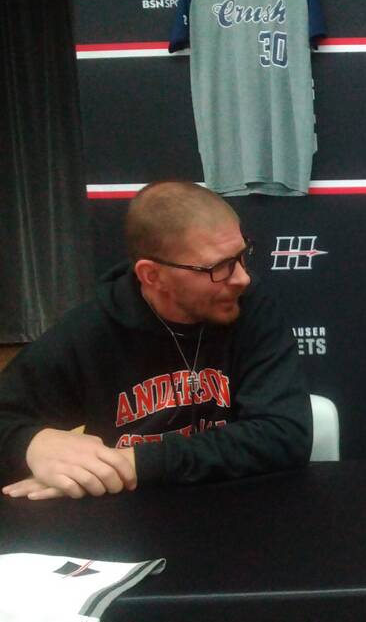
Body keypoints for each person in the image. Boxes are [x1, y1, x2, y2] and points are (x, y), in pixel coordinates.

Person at [0, 181, 311, 500]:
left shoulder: (251, 307)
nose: (242, 277)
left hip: (236, 506)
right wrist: (30, 443)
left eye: (242, 255)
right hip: (128, 517)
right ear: (152, 275)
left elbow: (284, 434)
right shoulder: (91, 330)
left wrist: (135, 463)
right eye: (219, 267)